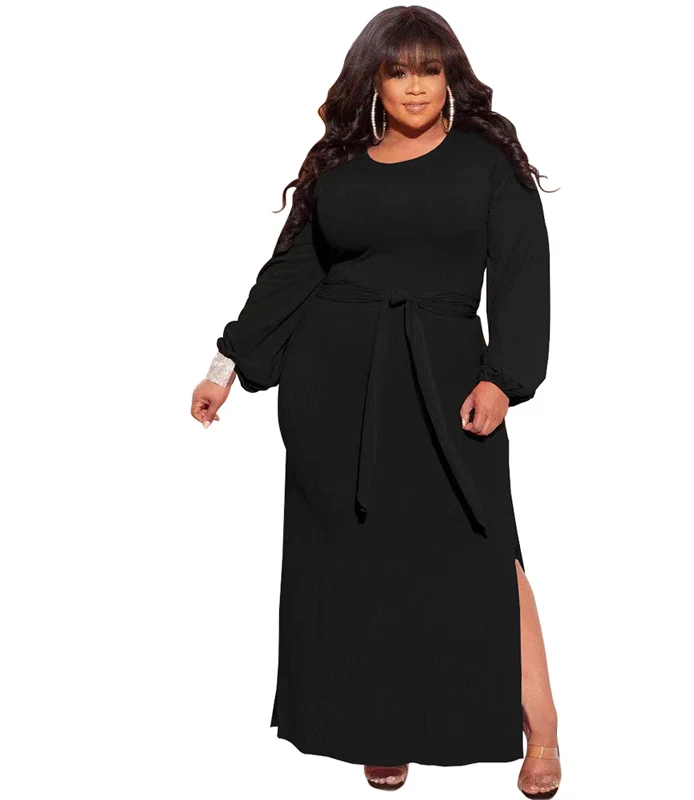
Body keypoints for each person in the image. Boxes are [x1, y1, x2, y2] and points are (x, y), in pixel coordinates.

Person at [191, 7, 560, 797]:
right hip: (336, 388)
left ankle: (544, 729)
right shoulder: (340, 165)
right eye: (398, 71)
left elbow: (523, 272)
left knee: (486, 551)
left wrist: (504, 378)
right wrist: (225, 366)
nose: (415, 87)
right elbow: (292, 270)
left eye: (430, 70)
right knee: (361, 566)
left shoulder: (487, 163)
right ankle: (379, 725)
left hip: (449, 380)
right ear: (375, 80)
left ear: (451, 78)